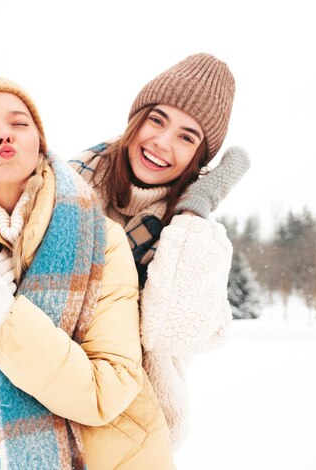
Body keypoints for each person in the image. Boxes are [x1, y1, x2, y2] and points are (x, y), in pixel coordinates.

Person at [0, 77, 174, 469]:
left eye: (18, 123)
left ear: (39, 143)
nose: (3, 135)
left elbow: (105, 393)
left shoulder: (99, 239)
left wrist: (5, 320)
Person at [68, 53, 250, 450]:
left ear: (199, 158)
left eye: (187, 137)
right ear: (138, 118)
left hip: (134, 430)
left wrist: (191, 212)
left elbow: (165, 331)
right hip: (42, 404)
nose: (162, 143)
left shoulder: (197, 239)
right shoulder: (67, 186)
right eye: (157, 120)